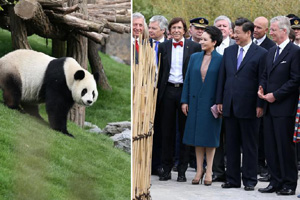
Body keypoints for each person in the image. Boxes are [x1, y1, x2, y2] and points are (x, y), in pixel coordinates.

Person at [216, 17, 267, 191]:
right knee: (230, 144)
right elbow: (223, 77)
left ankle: (250, 180)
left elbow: (262, 80)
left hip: (250, 107)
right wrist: (219, 101)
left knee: (250, 146)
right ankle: (232, 179)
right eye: (233, 32)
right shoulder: (229, 52)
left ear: (248, 33)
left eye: (237, 32)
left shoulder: (261, 53)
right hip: (229, 105)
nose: (234, 35)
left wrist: (260, 104)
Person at [258, 15, 300, 196]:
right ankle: (275, 181)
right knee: (270, 146)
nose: (271, 33)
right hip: (268, 107)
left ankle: (289, 183)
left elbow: (295, 79)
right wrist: (262, 89)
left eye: (273, 29)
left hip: (284, 108)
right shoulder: (270, 52)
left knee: (285, 147)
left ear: (284, 31)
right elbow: (265, 75)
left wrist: (276, 95)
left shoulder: (295, 52)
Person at [156, 17, 201, 182]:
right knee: (166, 132)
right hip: (167, 90)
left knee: (184, 131)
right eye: (173, 28)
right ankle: (166, 169)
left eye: (179, 28)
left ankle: (182, 170)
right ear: (169, 30)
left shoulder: (194, 47)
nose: (176, 30)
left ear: (184, 30)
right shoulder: (163, 46)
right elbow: (160, 71)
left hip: (184, 91)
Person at [181, 26, 223, 186]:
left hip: (211, 105)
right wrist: (184, 100)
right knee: (197, 138)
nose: (201, 41)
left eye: (205, 39)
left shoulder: (221, 59)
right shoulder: (194, 57)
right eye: (201, 39)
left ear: (214, 42)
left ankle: (210, 170)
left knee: (210, 138)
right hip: (195, 102)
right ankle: (199, 170)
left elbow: (222, 83)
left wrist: (220, 103)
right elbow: (188, 80)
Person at [212, 15, 235, 183]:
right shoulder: (207, 46)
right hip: (212, 96)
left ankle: (231, 169)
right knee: (216, 135)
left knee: (230, 136)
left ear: (230, 29)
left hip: (231, 98)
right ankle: (217, 170)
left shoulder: (236, 46)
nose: (221, 28)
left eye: (224, 25)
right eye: (218, 25)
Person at [252, 16, 276, 182]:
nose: (255, 30)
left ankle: (263, 164)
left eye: (259, 28)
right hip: (247, 95)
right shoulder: (247, 43)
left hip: (264, 97)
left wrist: (262, 100)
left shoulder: (271, 47)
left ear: (266, 30)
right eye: (254, 27)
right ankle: (254, 163)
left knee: (262, 133)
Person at [149, 15, 168, 176]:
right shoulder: (144, 44)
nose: (150, 31)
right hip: (145, 92)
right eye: (150, 28)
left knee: (161, 129)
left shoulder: (168, 47)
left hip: (162, 93)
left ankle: (158, 164)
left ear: (163, 30)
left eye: (154, 28)